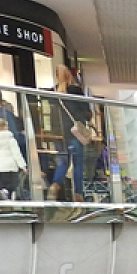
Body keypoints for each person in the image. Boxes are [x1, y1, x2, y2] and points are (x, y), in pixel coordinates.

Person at [47, 63, 93, 201]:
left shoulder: (51, 93)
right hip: (74, 133)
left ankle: (55, 185)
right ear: (69, 76)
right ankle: (78, 194)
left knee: (63, 162)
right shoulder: (75, 91)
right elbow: (86, 112)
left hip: (58, 134)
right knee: (77, 163)